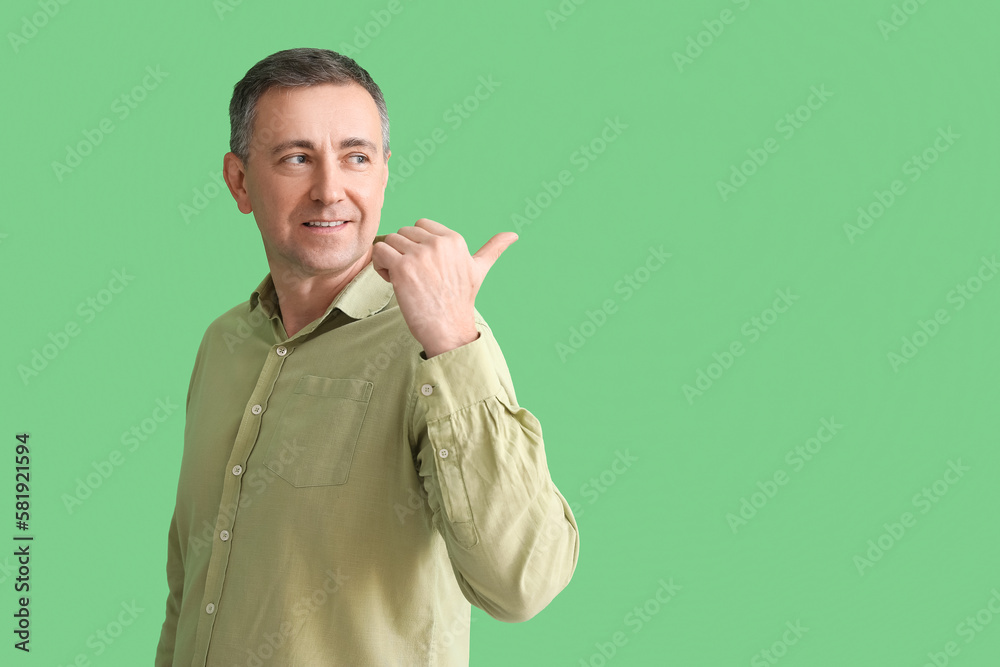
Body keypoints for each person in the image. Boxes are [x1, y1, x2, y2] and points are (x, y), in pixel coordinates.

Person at [154, 47, 579, 666]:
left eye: (355, 157)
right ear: (240, 181)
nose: (330, 191)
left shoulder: (436, 341)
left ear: (382, 173)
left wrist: (453, 338)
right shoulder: (224, 343)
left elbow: (522, 584)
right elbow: (188, 584)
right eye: (297, 158)